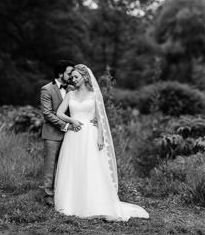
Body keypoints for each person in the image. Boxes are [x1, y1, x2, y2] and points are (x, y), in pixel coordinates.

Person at [53, 64, 149, 221]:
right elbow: (59, 113)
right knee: (74, 166)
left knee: (91, 166)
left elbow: (99, 119)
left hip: (90, 134)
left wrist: (100, 137)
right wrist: (72, 121)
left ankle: (94, 203)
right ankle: (71, 204)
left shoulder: (94, 95)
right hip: (74, 135)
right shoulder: (70, 95)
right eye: (72, 77)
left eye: (76, 77)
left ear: (85, 77)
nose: (74, 80)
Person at [39, 60, 81, 207]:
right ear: (60, 73)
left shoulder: (72, 89)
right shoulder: (47, 89)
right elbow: (47, 114)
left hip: (71, 136)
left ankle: (64, 194)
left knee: (66, 166)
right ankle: (48, 196)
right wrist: (66, 125)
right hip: (52, 134)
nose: (71, 76)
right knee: (50, 167)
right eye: (69, 73)